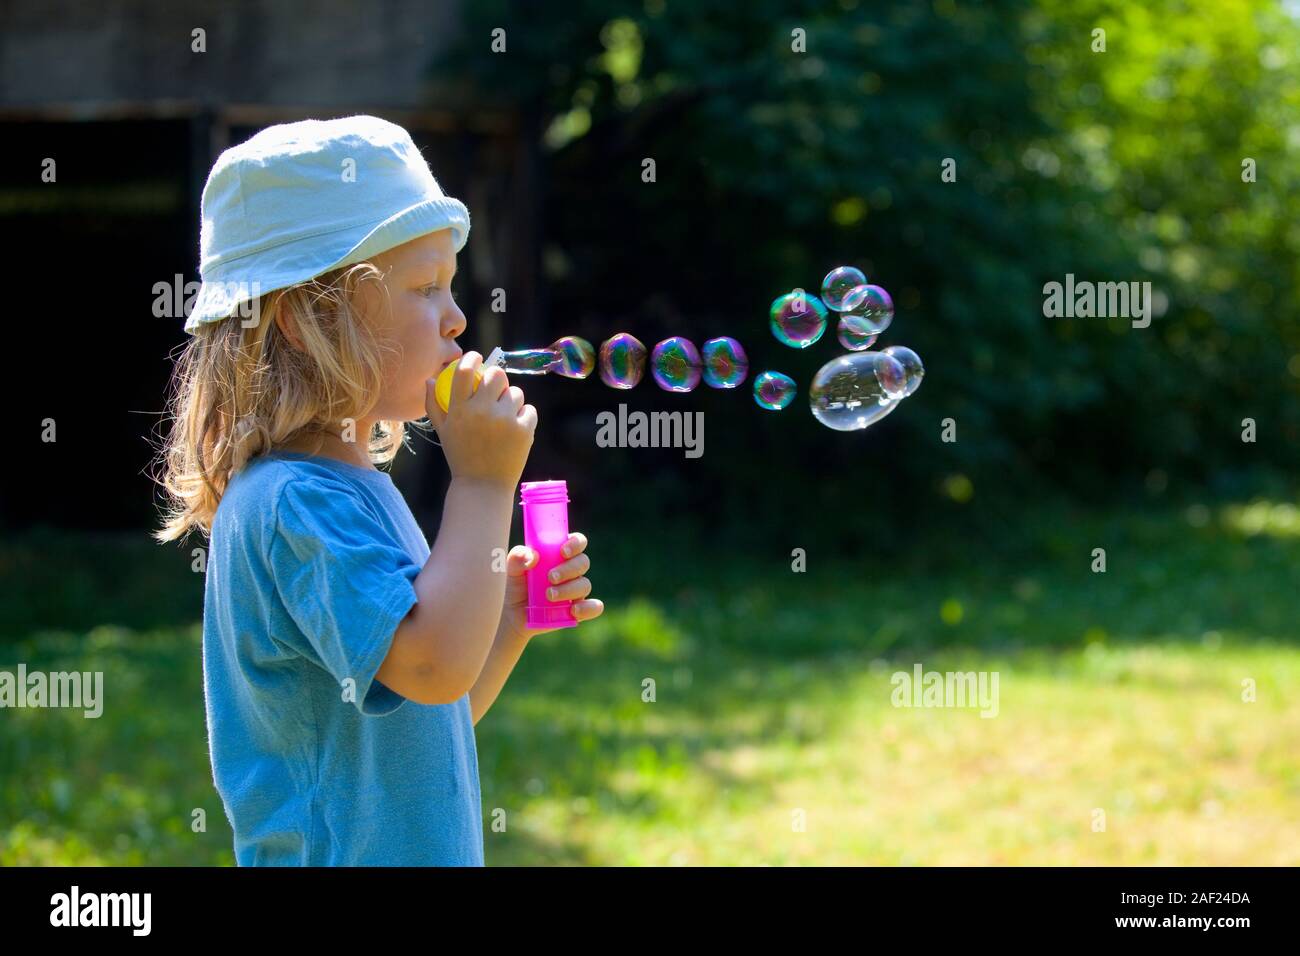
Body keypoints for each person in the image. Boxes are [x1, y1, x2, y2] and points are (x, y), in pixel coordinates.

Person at [152, 115, 603, 865]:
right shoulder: (295, 503)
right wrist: (485, 484)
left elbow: (428, 709)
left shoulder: (345, 490)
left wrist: (506, 619)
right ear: (307, 321)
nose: (458, 318)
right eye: (425, 289)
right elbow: (430, 666)